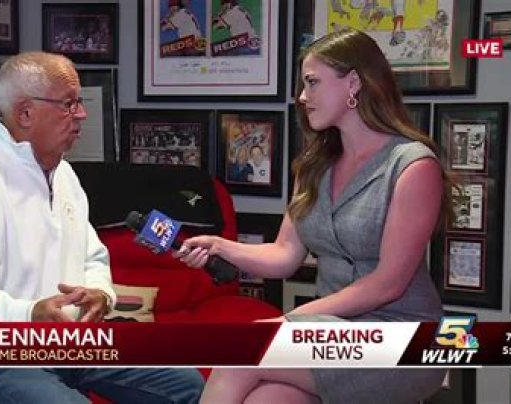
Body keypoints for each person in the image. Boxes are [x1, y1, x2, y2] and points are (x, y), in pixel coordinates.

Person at [176, 29, 450, 404]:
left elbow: (387, 284)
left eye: (312, 82)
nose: (303, 96)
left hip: (402, 338)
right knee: (266, 401)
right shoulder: (314, 165)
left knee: (245, 347)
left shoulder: (413, 166)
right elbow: (285, 255)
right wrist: (220, 246)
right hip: (334, 331)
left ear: (353, 83)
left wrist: (292, 321)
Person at [0, 51, 203, 403]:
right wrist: (29, 313)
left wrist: (101, 294)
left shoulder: (65, 175)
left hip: (70, 345)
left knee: (187, 384)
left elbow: (93, 257)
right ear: (25, 113)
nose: (82, 114)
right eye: (69, 104)